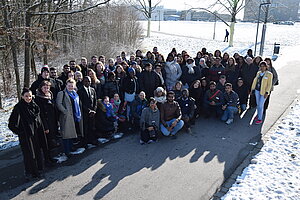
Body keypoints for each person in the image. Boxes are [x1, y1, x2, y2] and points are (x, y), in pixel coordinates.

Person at [8, 88, 48, 180]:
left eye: (30, 96)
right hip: (26, 136)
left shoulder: (34, 105)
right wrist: (21, 132)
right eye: (26, 96)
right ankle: (30, 172)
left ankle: (39, 170)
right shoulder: (19, 108)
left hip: (36, 133)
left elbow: (38, 119)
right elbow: (12, 124)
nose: (28, 98)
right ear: (22, 96)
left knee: (37, 152)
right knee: (29, 155)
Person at [56, 78, 84, 157]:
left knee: (72, 133)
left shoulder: (75, 93)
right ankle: (66, 151)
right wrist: (65, 111)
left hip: (75, 116)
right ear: (66, 85)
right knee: (66, 135)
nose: (70, 87)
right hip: (66, 117)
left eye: (72, 86)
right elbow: (59, 104)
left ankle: (71, 148)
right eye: (69, 86)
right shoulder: (62, 93)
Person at [35, 81, 60, 150]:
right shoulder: (38, 98)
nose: (46, 89)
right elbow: (41, 113)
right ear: (41, 88)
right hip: (46, 120)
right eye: (44, 88)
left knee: (54, 135)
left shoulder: (50, 95)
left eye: (47, 88)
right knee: (48, 138)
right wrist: (45, 126)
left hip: (53, 119)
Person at [77, 76, 97, 149]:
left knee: (92, 127)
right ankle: (85, 143)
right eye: (86, 81)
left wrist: (94, 110)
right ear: (83, 82)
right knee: (85, 128)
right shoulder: (80, 91)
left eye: (89, 81)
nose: (87, 82)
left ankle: (92, 140)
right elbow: (81, 103)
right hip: (85, 113)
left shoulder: (92, 90)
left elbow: (95, 101)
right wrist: (89, 111)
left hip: (93, 113)